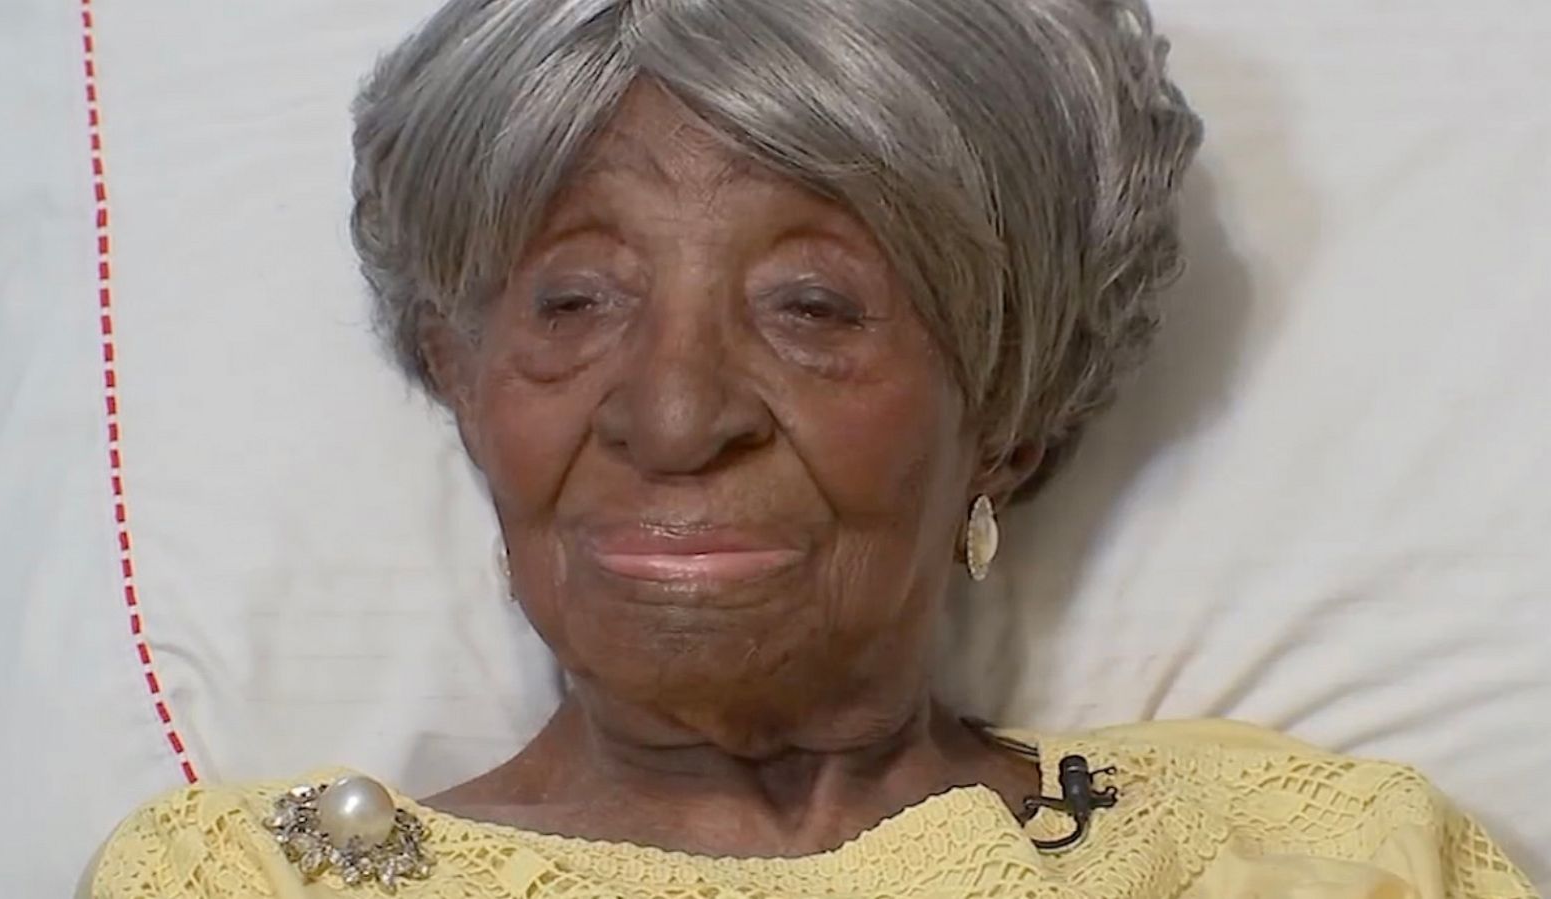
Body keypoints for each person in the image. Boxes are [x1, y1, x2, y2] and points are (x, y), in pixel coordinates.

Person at [83, 0, 1537, 896]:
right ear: (457, 378)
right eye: (575, 301)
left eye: (811, 305)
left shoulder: (1316, 866)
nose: (673, 415)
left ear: (1011, 414)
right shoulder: (251, 883)